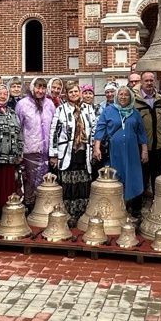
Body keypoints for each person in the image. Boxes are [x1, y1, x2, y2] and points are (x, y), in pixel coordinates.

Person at [93, 85, 149, 217]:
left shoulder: (135, 112)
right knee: (117, 175)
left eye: (126, 95)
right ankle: (117, 207)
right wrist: (96, 147)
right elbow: (100, 129)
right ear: (117, 96)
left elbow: (141, 132)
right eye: (121, 94)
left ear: (130, 97)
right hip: (115, 151)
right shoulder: (108, 111)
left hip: (132, 151)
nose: (123, 97)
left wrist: (144, 150)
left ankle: (134, 208)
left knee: (133, 176)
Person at [49, 83, 96, 222]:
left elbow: (93, 129)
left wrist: (94, 148)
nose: (74, 94)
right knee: (68, 185)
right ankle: (69, 214)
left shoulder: (88, 109)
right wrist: (54, 154)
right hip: (67, 153)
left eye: (76, 91)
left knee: (83, 184)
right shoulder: (61, 110)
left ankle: (82, 214)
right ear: (67, 94)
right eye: (71, 92)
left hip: (84, 151)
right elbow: (54, 132)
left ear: (80, 93)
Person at [15, 77, 55, 207]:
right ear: (32, 88)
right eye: (38, 87)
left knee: (45, 181)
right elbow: (18, 128)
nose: (40, 90)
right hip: (30, 150)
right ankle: (29, 208)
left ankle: (42, 208)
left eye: (43, 88)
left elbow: (54, 127)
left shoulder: (49, 104)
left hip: (46, 151)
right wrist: (19, 151)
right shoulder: (22, 104)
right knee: (30, 182)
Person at [0, 83, 24, 217]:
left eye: (5, 94)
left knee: (9, 188)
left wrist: (19, 153)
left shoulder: (12, 112)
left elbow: (19, 133)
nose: (2, 96)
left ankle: (8, 214)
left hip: (11, 158)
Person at [134, 72, 161, 195]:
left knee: (157, 176)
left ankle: (156, 202)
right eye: (146, 81)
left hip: (158, 146)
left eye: (151, 80)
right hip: (141, 146)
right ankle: (139, 203)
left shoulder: (160, 99)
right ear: (141, 82)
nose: (149, 83)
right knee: (142, 176)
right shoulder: (135, 101)